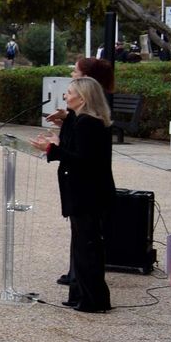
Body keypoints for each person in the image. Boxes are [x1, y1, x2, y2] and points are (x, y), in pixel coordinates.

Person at [31, 77, 114, 313]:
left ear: (83, 97)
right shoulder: (82, 120)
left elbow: (83, 159)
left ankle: (93, 299)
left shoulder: (88, 123)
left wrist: (51, 149)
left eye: (69, 93)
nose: (65, 96)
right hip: (84, 192)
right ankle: (81, 294)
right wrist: (62, 128)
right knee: (82, 245)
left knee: (87, 247)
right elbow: (72, 145)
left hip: (88, 193)